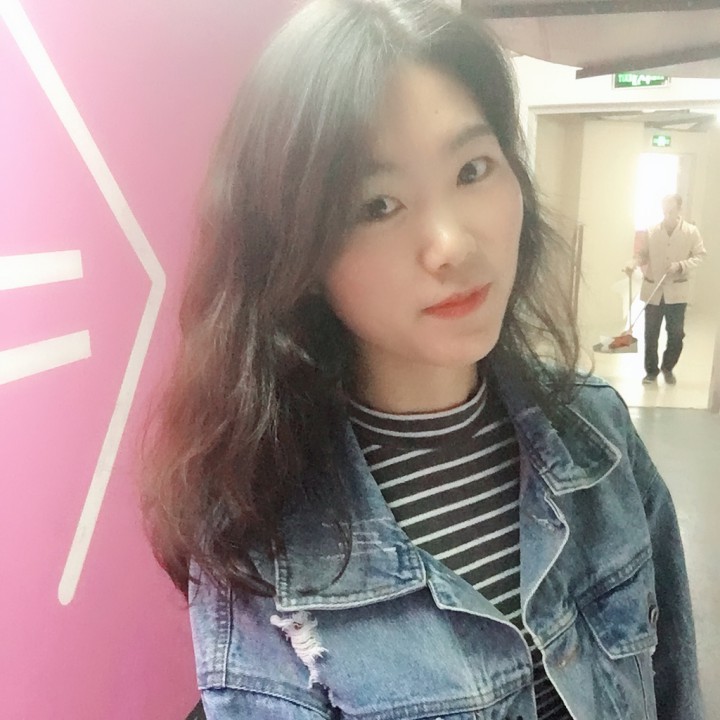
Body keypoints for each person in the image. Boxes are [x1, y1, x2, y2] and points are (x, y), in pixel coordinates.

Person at [143, 2, 702, 718]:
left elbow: (674, 693)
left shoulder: (598, 436)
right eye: (377, 205)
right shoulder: (259, 532)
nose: (452, 244)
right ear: (296, 253)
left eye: (472, 169)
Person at [625, 194, 706, 386]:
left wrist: (680, 266)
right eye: (665, 211)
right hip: (654, 290)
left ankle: (668, 367)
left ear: (679, 209)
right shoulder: (652, 231)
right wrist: (633, 263)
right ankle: (651, 371)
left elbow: (700, 256)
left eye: (671, 211)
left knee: (676, 334)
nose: (667, 214)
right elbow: (643, 254)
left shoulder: (691, 232)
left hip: (677, 293)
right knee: (651, 333)